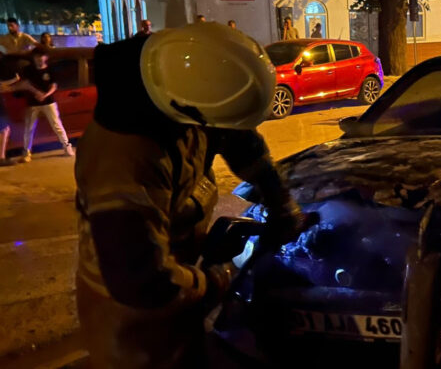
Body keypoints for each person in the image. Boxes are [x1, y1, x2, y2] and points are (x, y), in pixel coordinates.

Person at [44, 23, 311, 368]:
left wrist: (280, 201)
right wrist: (219, 278)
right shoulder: (125, 155)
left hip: (178, 281)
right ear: (189, 108)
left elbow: (240, 141)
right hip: (132, 320)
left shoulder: (187, 91)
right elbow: (140, 279)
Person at [18, 49, 74, 162]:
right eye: (36, 56)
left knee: (56, 125)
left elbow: (54, 85)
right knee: (29, 128)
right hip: (32, 103)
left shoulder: (50, 69)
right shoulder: (28, 70)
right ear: (33, 58)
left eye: (41, 56)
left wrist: (45, 95)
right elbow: (25, 84)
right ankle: (26, 152)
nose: (39, 59)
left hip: (49, 102)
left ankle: (67, 147)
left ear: (46, 57)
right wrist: (36, 93)